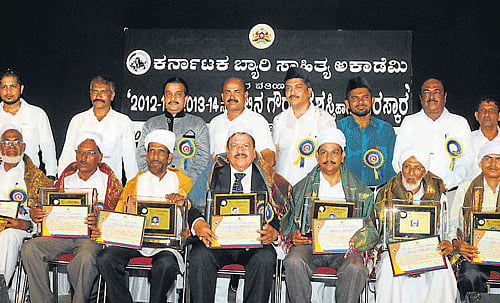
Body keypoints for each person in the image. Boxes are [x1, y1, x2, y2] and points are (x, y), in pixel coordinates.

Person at [187, 123, 292, 303]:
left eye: (245, 146)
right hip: (216, 241)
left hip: (253, 245)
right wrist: (199, 223)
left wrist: (274, 233)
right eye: (234, 146)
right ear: (227, 152)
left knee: (266, 257)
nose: (240, 151)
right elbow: (192, 205)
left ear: (254, 152)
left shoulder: (266, 178)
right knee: (199, 255)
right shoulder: (214, 173)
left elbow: (279, 214)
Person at [21, 131, 123, 303]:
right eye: (80, 152)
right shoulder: (65, 179)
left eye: (90, 153)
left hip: (91, 237)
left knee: (85, 258)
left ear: (100, 157)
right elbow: (45, 207)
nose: (83, 157)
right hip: (61, 235)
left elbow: (119, 215)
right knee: (30, 249)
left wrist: (101, 218)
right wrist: (37, 212)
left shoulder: (110, 182)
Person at [281, 126, 377, 303]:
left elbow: (371, 229)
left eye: (334, 153)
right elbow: (289, 225)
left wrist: (357, 239)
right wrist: (294, 234)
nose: (329, 158)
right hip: (310, 246)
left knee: (356, 268)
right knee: (294, 261)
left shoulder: (361, 192)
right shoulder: (300, 189)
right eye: (324, 153)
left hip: (345, 249)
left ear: (343, 156)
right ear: (317, 156)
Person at [96, 129, 193, 303]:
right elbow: (120, 214)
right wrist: (105, 229)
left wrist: (183, 203)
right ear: (146, 156)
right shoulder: (135, 182)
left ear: (169, 157)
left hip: (167, 245)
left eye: (161, 151)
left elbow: (191, 216)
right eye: (151, 151)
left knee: (165, 265)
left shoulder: (183, 181)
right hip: (136, 241)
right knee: (106, 258)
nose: (155, 156)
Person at [374, 149, 457, 303]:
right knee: (387, 269)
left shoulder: (439, 196)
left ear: (424, 172)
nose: (411, 172)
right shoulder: (385, 193)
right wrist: (408, 260)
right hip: (394, 251)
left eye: (417, 168)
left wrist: (446, 243)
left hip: (429, 252)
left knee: (443, 272)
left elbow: (443, 232)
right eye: (407, 167)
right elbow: (381, 233)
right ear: (401, 168)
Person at [392, 77, 473, 194]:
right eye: (426, 92)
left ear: (445, 97)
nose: (431, 96)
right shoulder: (409, 122)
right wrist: (415, 185)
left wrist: (446, 184)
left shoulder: (459, 123)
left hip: (451, 191)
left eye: (436, 92)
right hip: (415, 192)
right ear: (420, 98)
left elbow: (466, 160)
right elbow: (398, 160)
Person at [0, 124, 53, 300]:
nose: (11, 146)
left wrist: (28, 224)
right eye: (6, 142)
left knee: (9, 236)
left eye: (16, 142)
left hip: (20, 228)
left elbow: (49, 217)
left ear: (24, 147)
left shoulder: (37, 178)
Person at [58, 75, 138, 182]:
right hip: (79, 186)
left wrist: (131, 189)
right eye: (95, 91)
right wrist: (61, 182)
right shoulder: (78, 120)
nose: (98, 96)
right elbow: (67, 155)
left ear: (112, 95)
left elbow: (130, 160)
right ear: (90, 94)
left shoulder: (123, 122)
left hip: (109, 188)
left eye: (103, 92)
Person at [448, 140, 500, 300]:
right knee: (470, 275)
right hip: (474, 253)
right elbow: (453, 225)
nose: (493, 164)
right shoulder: (466, 188)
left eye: (498, 159)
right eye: (488, 158)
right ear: (480, 163)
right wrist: (458, 244)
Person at [136, 77, 209, 183]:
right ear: (164, 98)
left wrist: (185, 184)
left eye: (178, 94)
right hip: (154, 185)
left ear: (186, 98)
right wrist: (154, 180)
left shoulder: (198, 124)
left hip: (187, 187)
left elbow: (202, 160)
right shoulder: (151, 124)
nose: (173, 98)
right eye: (168, 94)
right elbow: (142, 156)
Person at [273, 67, 336, 185]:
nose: (292, 93)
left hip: (310, 190)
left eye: (298, 87)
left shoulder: (324, 119)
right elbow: (275, 156)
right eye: (288, 88)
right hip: (281, 190)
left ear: (309, 92)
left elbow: (330, 159)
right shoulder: (279, 120)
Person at [337, 77, 396, 186]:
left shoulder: (386, 130)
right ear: (347, 103)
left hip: (379, 195)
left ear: (372, 100)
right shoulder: (338, 129)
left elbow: (392, 166)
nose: (360, 102)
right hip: (346, 195)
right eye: (355, 98)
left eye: (365, 97)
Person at [0, 69, 57, 179]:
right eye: (4, 87)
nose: (8, 91)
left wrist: (51, 175)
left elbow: (48, 147)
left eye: (13, 86)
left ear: (21, 89)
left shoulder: (36, 114)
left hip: (30, 178)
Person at [208, 77, 275, 165]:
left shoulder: (257, 121)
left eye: (237, 92)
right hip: (219, 176)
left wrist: (261, 175)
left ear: (245, 95)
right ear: (222, 97)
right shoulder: (215, 123)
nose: (232, 96)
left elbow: (268, 156)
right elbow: (210, 156)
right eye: (228, 92)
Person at [470, 96, 500, 177]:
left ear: (499, 116)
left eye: (492, 110)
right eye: (483, 110)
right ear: (476, 115)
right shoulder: (467, 139)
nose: (487, 114)